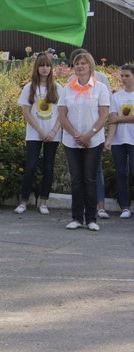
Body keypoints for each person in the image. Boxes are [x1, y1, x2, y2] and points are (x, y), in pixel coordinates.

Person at [58, 51, 110, 231]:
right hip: (71, 141)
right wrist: (76, 135)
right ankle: (77, 218)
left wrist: (89, 135)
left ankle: (91, 219)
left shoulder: (100, 88)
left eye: (83, 63)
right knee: (76, 179)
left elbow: (104, 115)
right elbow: (62, 115)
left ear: (90, 66)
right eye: (77, 63)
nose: (80, 66)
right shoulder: (67, 88)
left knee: (90, 179)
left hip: (93, 141)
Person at [15, 53, 63, 215]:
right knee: (31, 166)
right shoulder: (29, 87)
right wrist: (41, 131)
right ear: (37, 67)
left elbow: (62, 113)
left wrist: (53, 131)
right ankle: (23, 201)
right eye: (42, 65)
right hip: (34, 134)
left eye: (48, 65)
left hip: (53, 134)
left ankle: (43, 202)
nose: (45, 68)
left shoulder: (58, 88)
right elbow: (27, 113)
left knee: (48, 168)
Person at [104, 63, 134, 219]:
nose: (123, 79)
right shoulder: (116, 97)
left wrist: (120, 118)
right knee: (121, 173)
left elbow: (116, 118)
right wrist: (109, 140)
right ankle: (125, 207)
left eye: (127, 76)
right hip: (118, 141)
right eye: (122, 76)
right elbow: (112, 121)